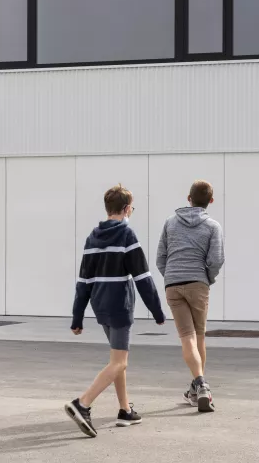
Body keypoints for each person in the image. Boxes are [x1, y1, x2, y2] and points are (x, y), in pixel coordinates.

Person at [65, 184, 165, 437]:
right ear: (126, 208)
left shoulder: (92, 237)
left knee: (117, 361)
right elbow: (143, 277)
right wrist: (157, 311)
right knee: (120, 361)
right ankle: (82, 403)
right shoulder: (126, 235)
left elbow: (83, 282)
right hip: (120, 305)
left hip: (100, 304)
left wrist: (77, 317)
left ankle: (124, 410)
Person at [156, 179, 224, 413]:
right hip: (198, 284)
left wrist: (171, 276)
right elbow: (216, 260)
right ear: (211, 201)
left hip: (173, 285)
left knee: (187, 338)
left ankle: (196, 388)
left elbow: (160, 257)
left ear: (188, 198)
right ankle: (202, 385)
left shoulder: (170, 223)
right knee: (199, 337)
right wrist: (206, 278)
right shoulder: (213, 226)